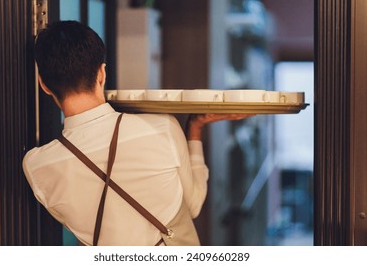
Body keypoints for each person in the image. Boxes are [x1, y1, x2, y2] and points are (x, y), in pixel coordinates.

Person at [22, 20, 252, 246]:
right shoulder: (161, 128)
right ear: (101, 74)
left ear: (43, 84)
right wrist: (194, 129)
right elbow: (192, 205)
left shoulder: (37, 167)